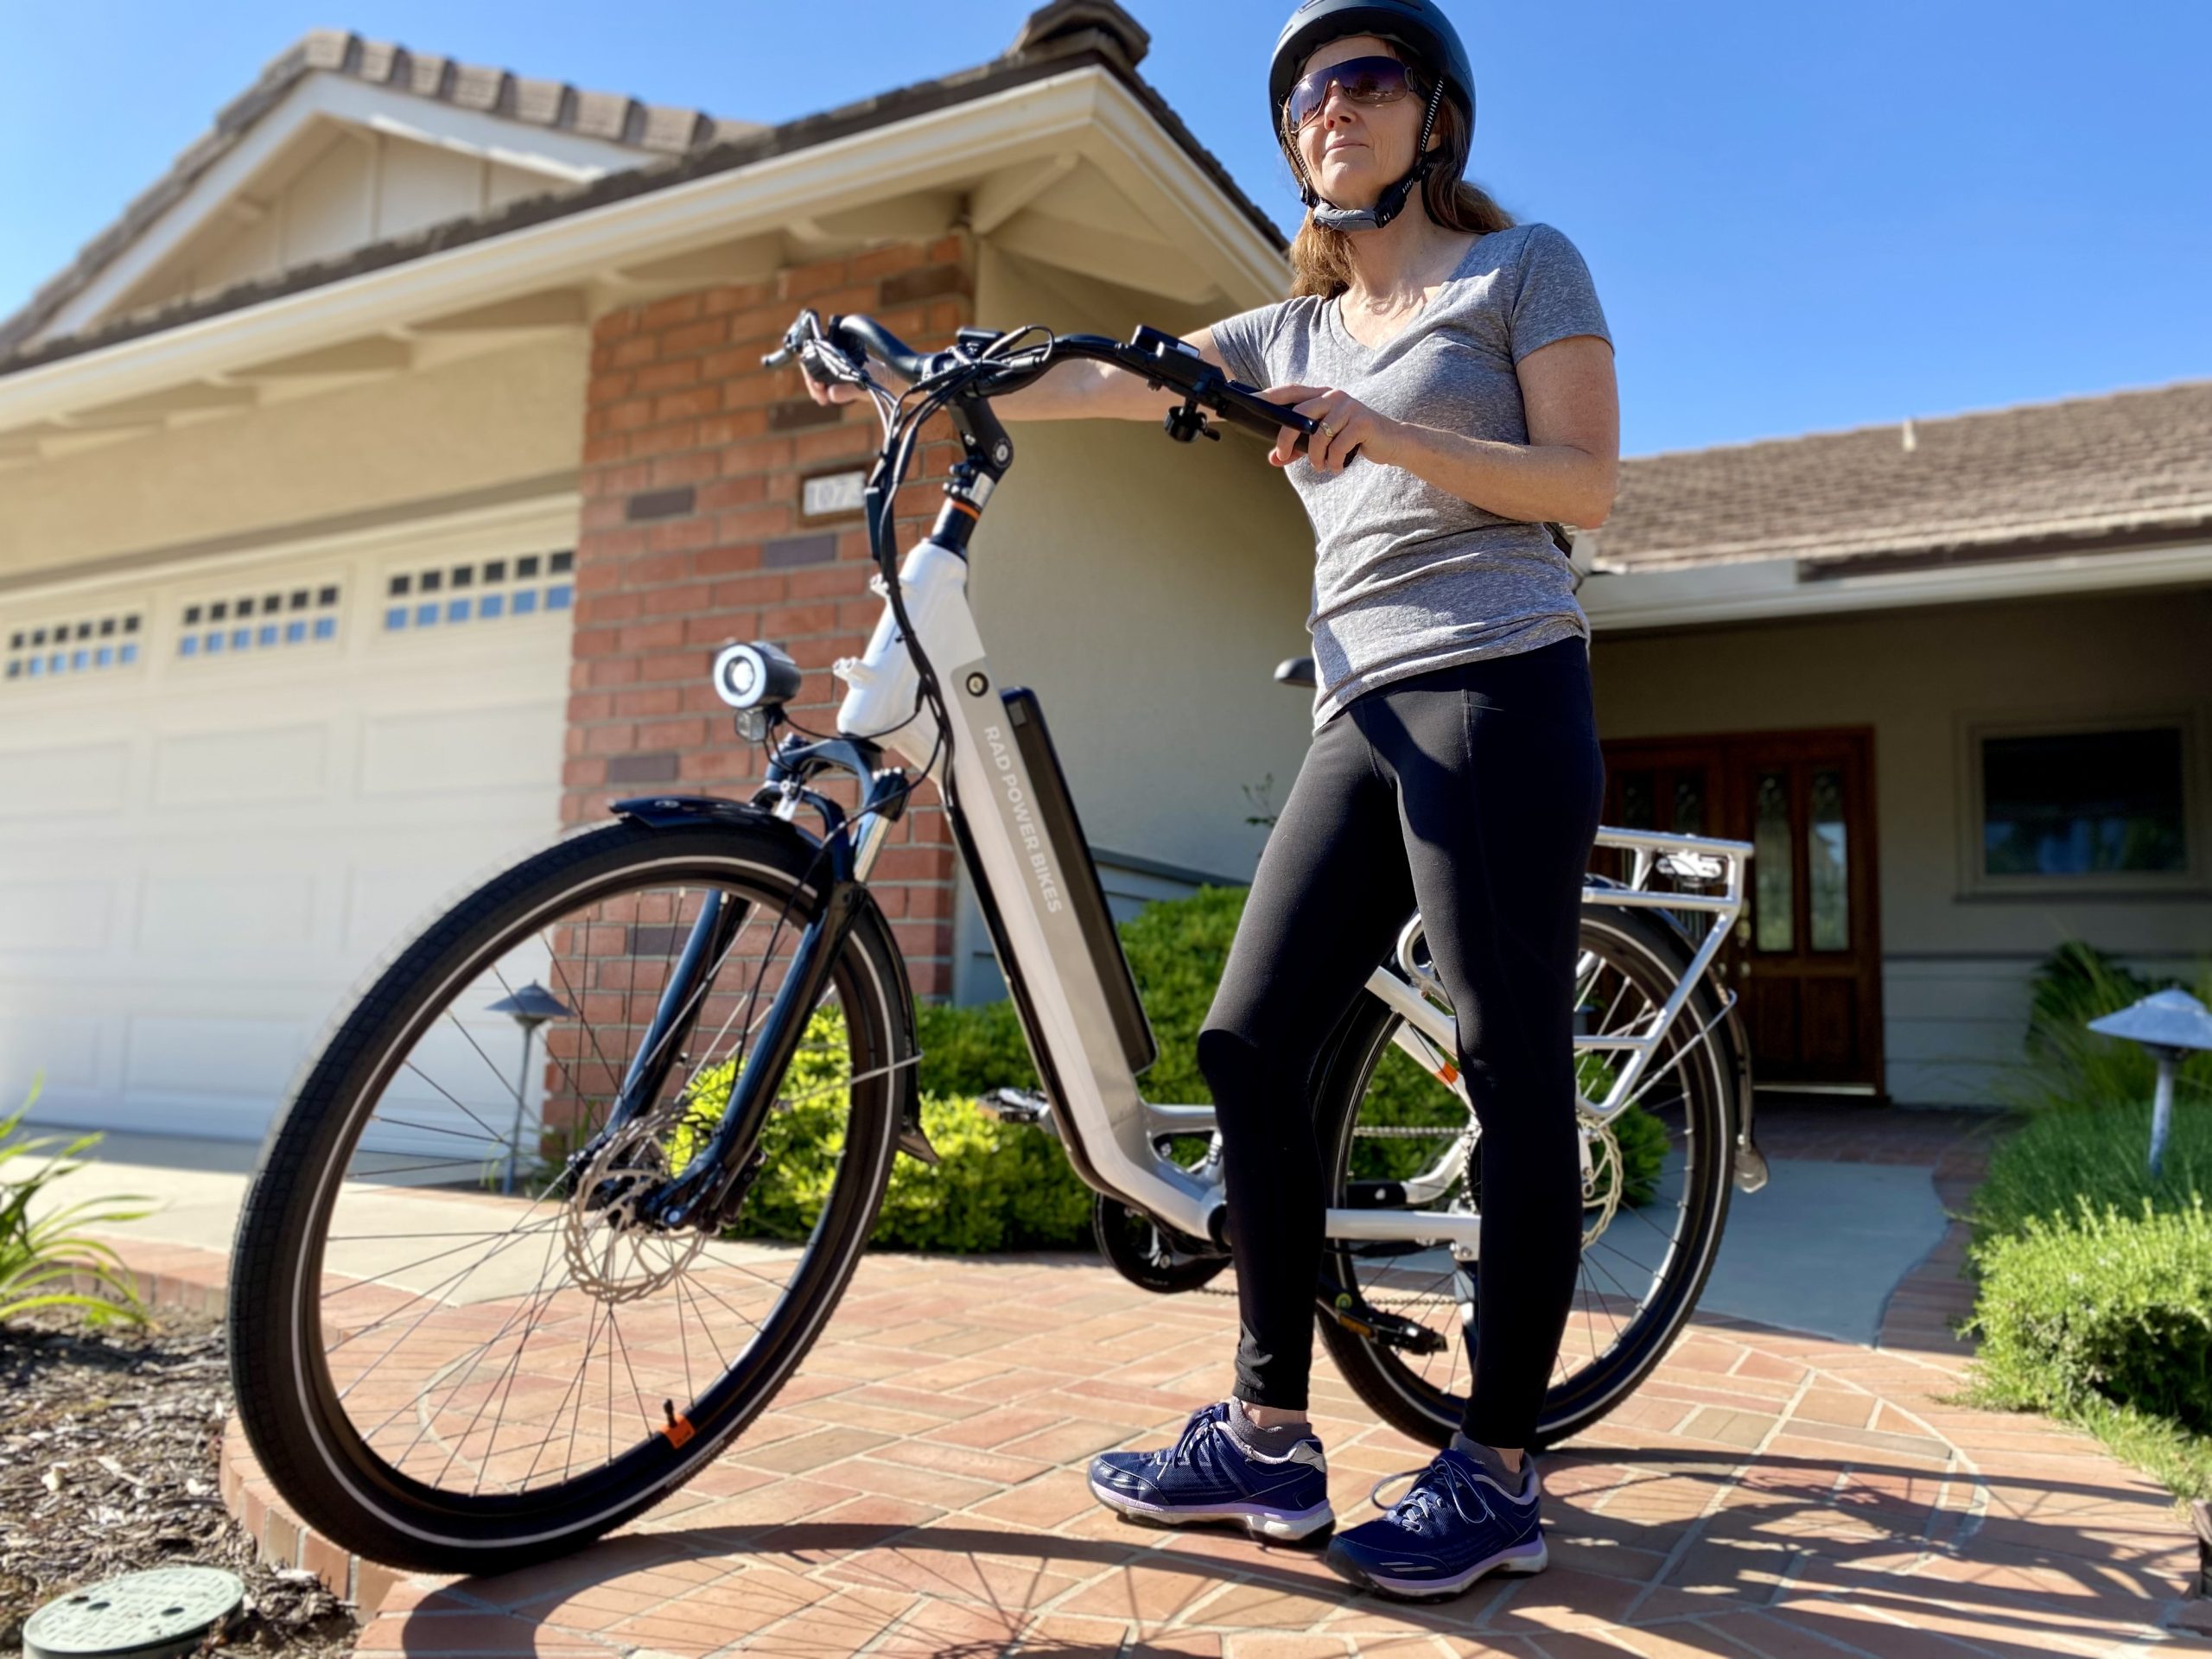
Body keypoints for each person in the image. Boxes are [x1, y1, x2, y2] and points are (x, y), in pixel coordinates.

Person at [803, 0, 1616, 1601]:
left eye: (1366, 80)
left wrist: (1391, 434)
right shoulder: (1292, 333)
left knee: (1509, 1055)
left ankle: (1502, 1466)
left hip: (1501, 682)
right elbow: (1114, 382)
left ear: (1434, 117)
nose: (1331, 108)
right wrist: (921, 376)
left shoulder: (1522, 270)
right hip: (1358, 699)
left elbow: (1585, 483)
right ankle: (1267, 1436)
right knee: (1253, 1039)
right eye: (1309, 93)